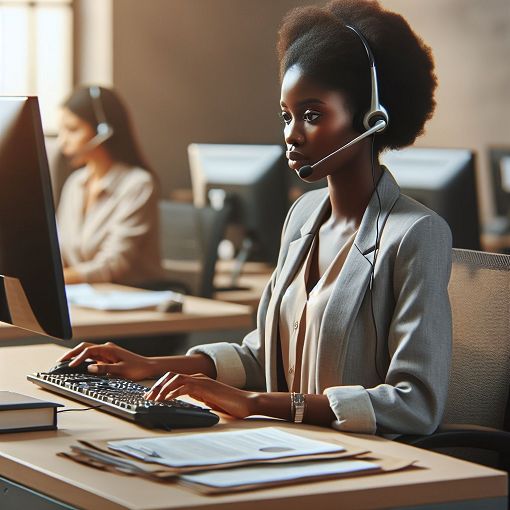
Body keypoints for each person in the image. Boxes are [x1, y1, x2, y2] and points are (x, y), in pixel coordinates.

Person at [59, 0, 452, 435]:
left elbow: (416, 403)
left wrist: (258, 402)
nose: (291, 133)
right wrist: (151, 364)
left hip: (365, 463)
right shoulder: (304, 216)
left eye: (312, 115)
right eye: (286, 115)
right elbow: (263, 354)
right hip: (285, 445)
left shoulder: (416, 234)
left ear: (371, 118)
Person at [56, 85, 164, 286]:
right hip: (88, 297)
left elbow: (112, 265)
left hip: (132, 298)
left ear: (102, 131)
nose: (63, 142)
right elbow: (59, 253)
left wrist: (53, 280)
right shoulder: (75, 184)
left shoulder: (138, 185)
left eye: (72, 130)